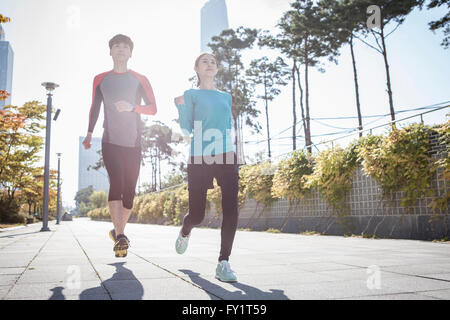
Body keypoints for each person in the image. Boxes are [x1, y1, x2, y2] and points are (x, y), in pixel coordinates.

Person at [82, 34, 157, 258]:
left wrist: (133, 107)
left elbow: (153, 108)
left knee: (130, 192)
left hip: (133, 141)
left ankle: (117, 232)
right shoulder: (100, 79)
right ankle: (122, 236)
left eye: (125, 46)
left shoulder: (140, 78)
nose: (121, 49)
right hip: (110, 139)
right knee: (116, 182)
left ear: (131, 52)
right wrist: (88, 134)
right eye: (116, 46)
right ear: (111, 51)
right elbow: (94, 107)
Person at [174, 52, 239, 282]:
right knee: (198, 215)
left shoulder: (226, 96)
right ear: (196, 69)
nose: (210, 64)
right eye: (205, 61)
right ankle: (185, 229)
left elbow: (226, 126)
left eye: (213, 61)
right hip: (200, 155)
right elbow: (186, 128)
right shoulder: (191, 94)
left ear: (217, 68)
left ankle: (224, 262)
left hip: (225, 153)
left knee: (231, 208)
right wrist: (181, 107)